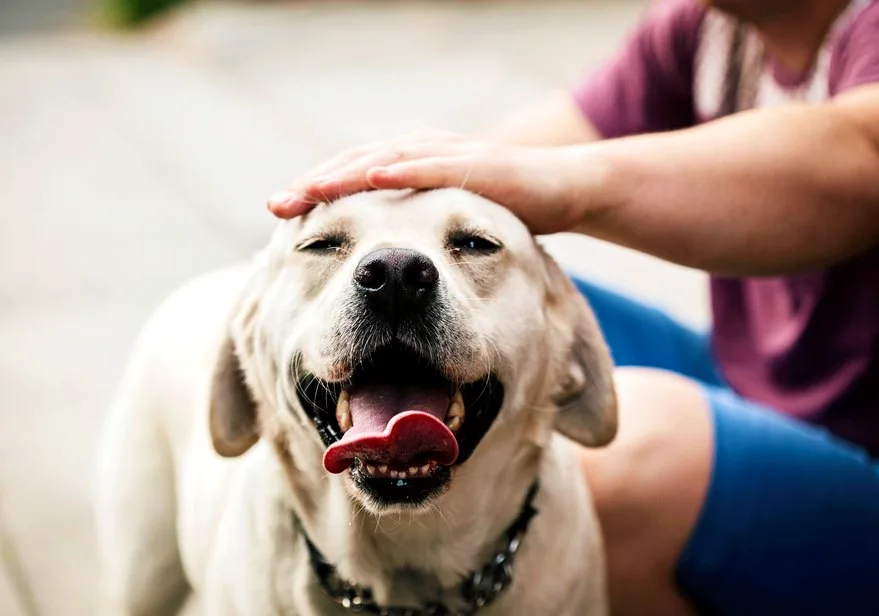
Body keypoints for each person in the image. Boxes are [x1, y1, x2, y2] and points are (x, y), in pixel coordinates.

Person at [266, 0, 879, 614]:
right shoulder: (705, 29)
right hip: (747, 377)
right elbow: (489, 168)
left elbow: (863, 150)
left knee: (629, 451)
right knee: (509, 291)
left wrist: (571, 185)